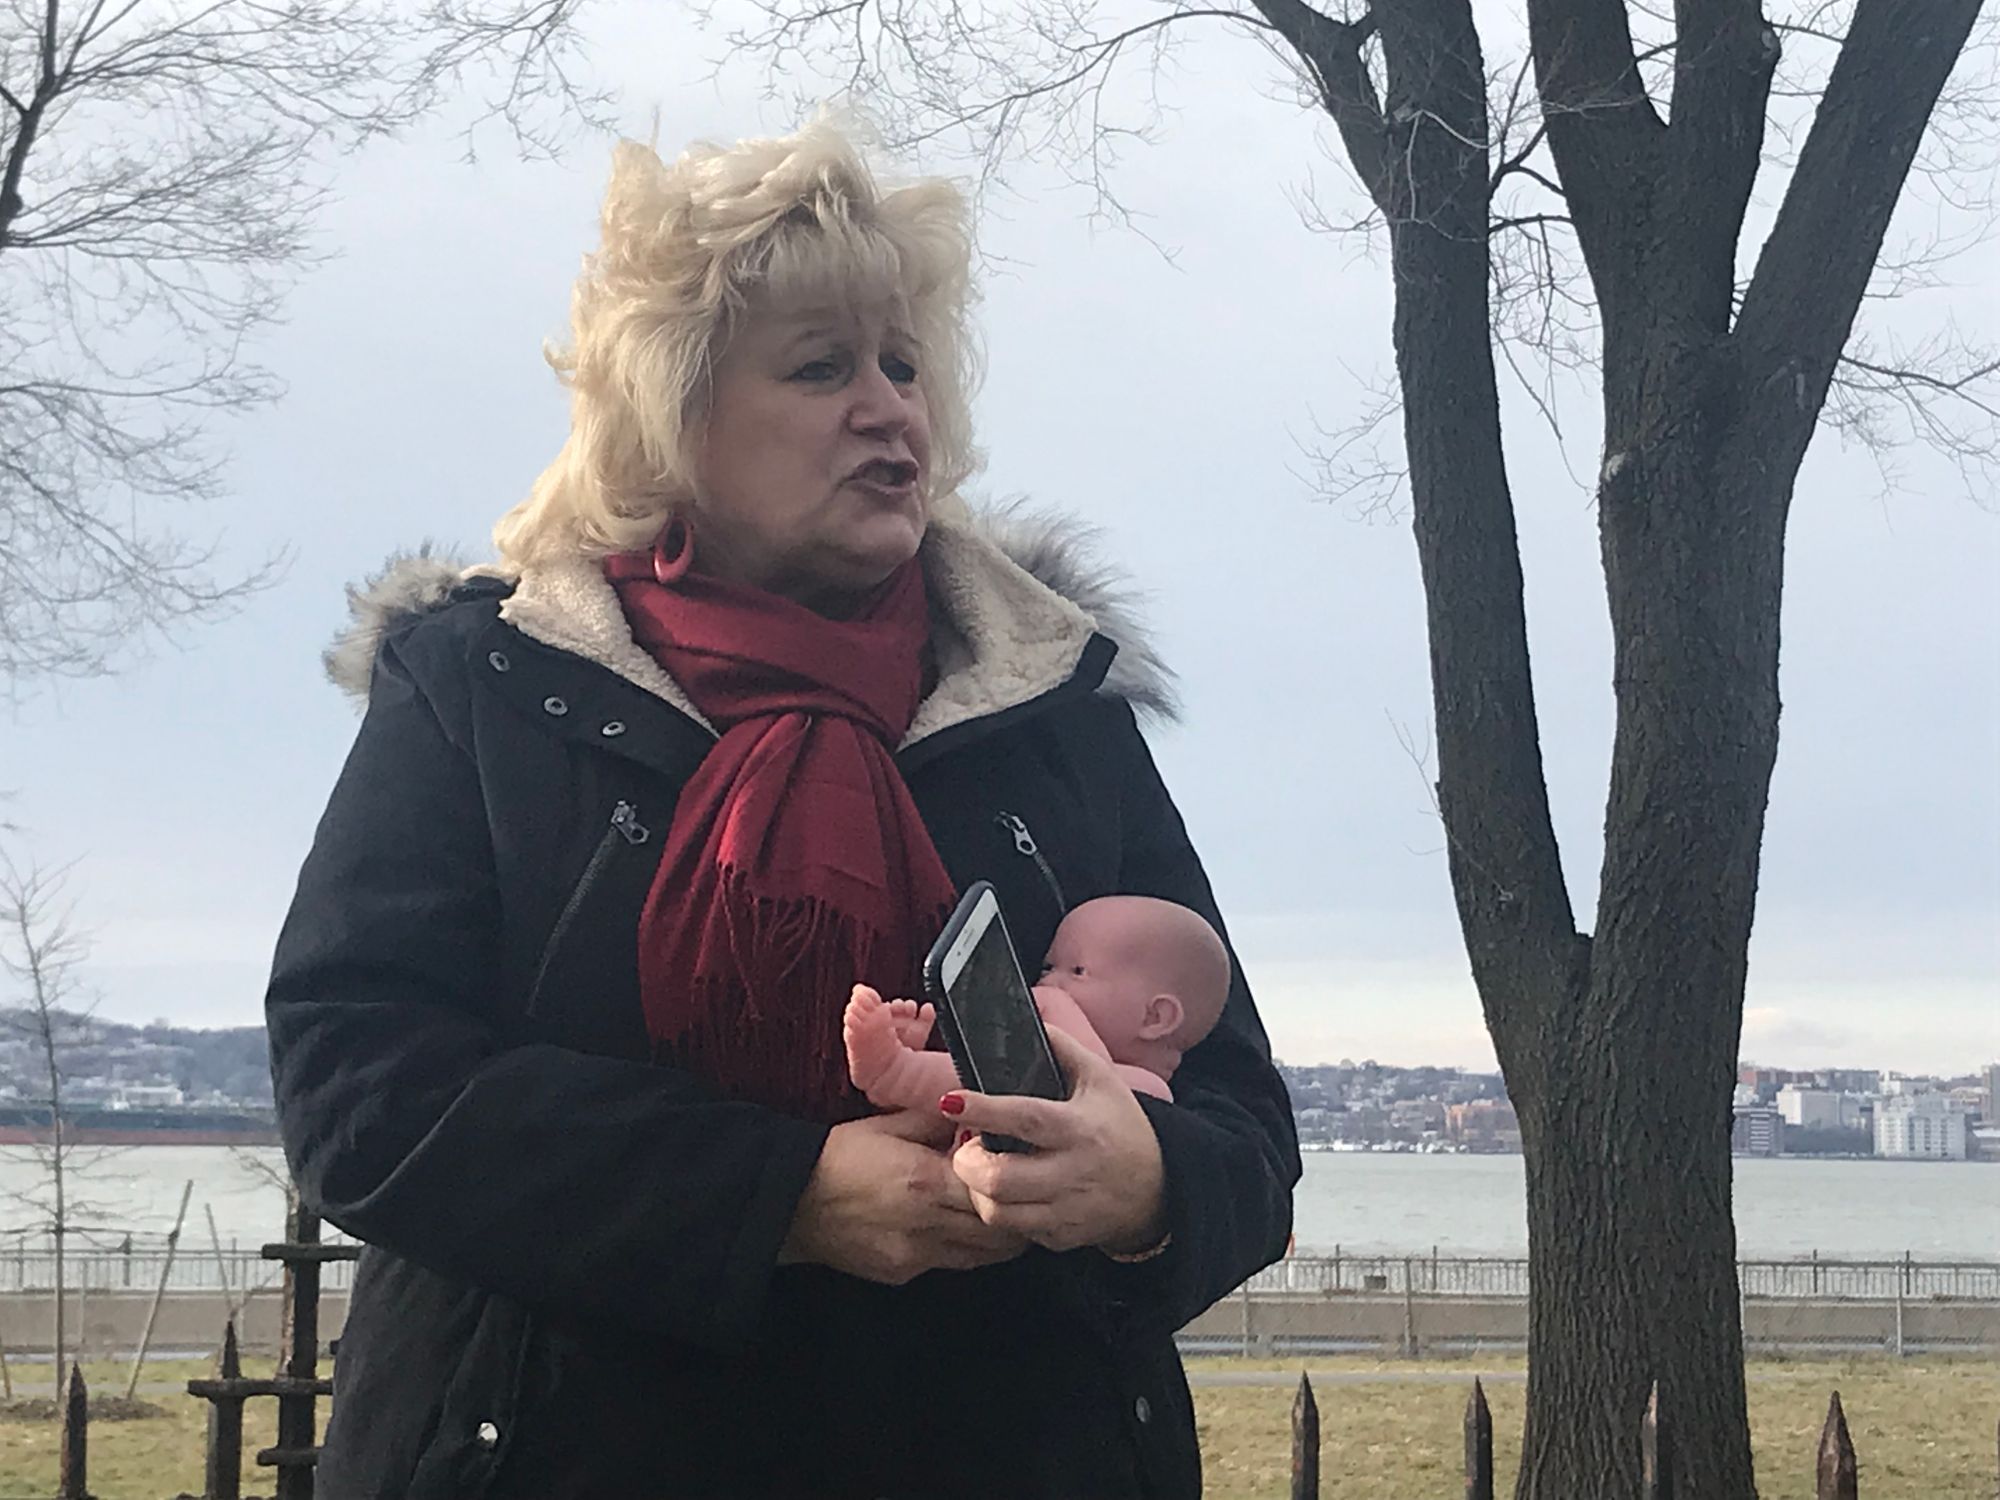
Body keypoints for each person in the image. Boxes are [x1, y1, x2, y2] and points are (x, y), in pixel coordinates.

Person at [267, 120, 1300, 1500]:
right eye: (822, 367)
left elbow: (1236, 1113)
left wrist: (1143, 1183)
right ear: (673, 412)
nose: (889, 408)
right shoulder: (488, 685)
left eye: (904, 363)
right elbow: (361, 1088)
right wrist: (779, 1195)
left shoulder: (1052, 704)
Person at [845, 894, 1232, 1105]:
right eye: (1048, 967)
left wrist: (1055, 1008)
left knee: (1018, 1082)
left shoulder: (1151, 1090)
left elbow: (1083, 1090)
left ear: (1156, 1017)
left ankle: (897, 1074)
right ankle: (912, 1061)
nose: (1049, 981)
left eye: (1077, 971)